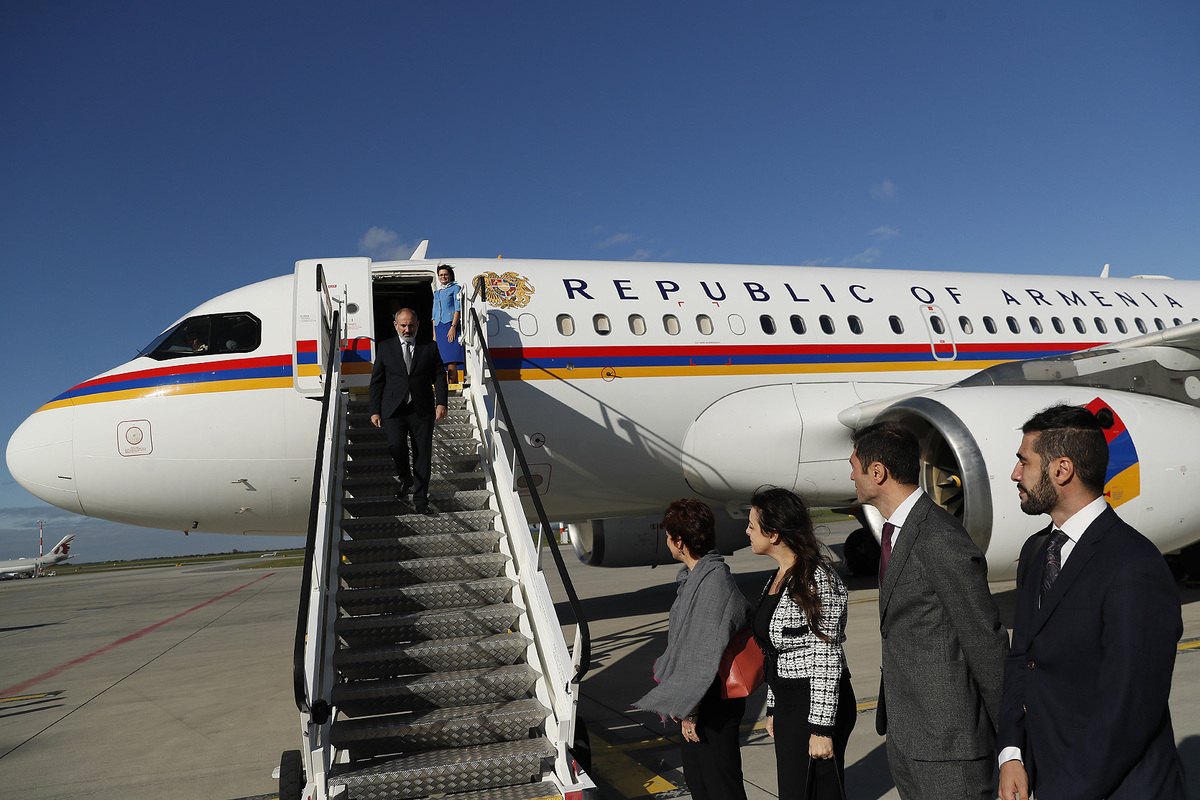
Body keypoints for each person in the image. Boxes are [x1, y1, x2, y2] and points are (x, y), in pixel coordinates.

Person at [999, 404, 1186, 800]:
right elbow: (1021, 660)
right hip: (1050, 776)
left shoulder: (1134, 565)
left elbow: (1128, 711)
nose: (1015, 474)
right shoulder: (1036, 551)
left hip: (1116, 787)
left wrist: (1062, 792)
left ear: (1062, 470)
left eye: (1024, 461)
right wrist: (1012, 753)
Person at [850, 421, 1007, 800]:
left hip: (951, 747)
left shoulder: (939, 537)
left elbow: (985, 641)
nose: (851, 476)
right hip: (909, 738)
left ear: (877, 472)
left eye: (854, 467)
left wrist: (1012, 741)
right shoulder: (897, 532)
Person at [636, 498, 751, 800]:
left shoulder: (712, 582)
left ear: (680, 541)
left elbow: (702, 655)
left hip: (711, 703)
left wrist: (690, 710)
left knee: (720, 787)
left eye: (668, 536)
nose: (667, 542)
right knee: (702, 784)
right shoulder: (696, 578)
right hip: (701, 700)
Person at [745, 487, 855, 800]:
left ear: (774, 534)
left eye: (752, 526)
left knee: (818, 792)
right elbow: (775, 651)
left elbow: (826, 655)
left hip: (814, 701)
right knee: (794, 790)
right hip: (789, 702)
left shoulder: (818, 579)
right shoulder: (779, 576)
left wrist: (821, 729)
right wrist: (773, 706)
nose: (747, 532)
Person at [369, 308, 448, 515]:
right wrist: (374, 411)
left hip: (421, 409)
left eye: (411, 325)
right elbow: (377, 381)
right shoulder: (385, 347)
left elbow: (439, 376)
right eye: (403, 325)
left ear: (418, 325)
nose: (407, 329)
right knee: (396, 446)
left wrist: (441, 403)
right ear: (396, 325)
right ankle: (406, 478)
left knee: (422, 454)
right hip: (393, 409)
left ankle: (421, 500)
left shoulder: (429, 347)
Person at [432, 265, 464, 384]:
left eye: (445, 274)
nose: (443, 277)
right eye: (441, 275)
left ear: (450, 276)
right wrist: (434, 334)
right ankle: (443, 384)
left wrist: (453, 327)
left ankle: (452, 384)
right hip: (439, 327)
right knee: (441, 359)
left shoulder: (455, 288)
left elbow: (457, 309)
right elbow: (434, 315)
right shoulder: (437, 293)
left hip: (450, 325)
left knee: (451, 359)